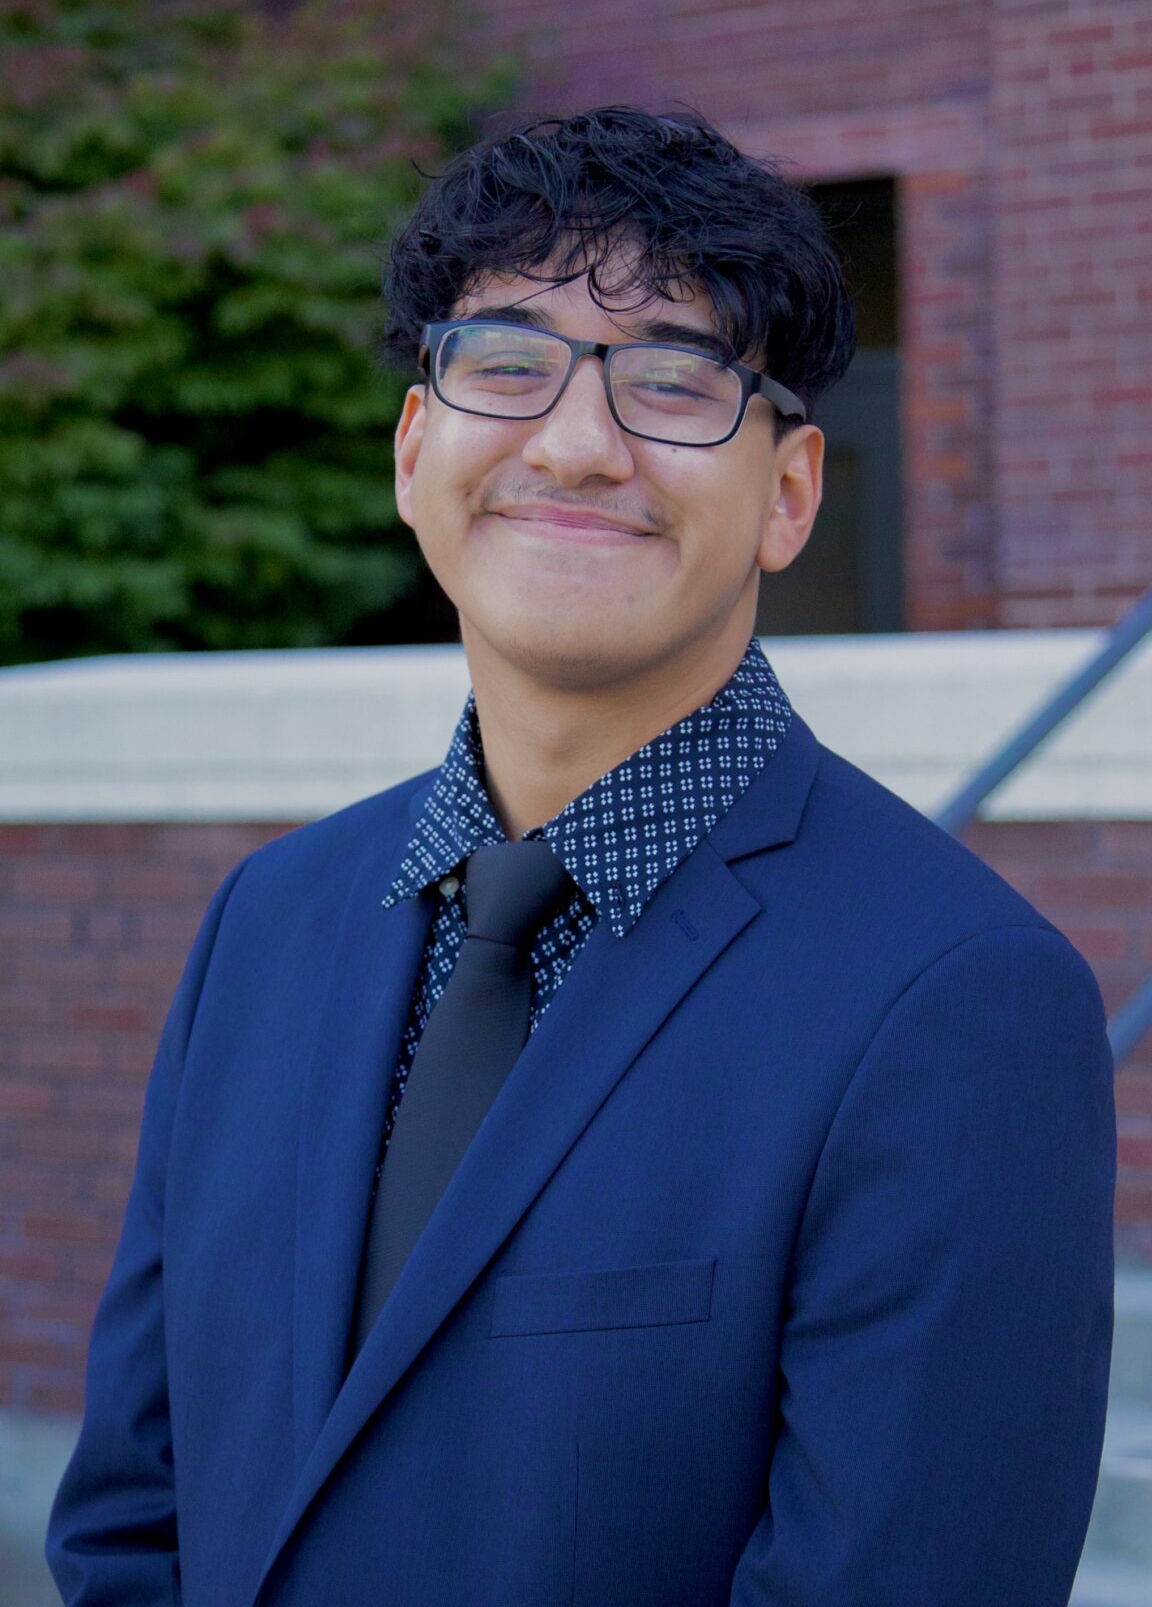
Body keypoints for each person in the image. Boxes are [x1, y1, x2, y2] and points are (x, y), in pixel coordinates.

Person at [46, 105, 1115, 1607]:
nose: (573, 444)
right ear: (418, 450)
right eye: (505, 365)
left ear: (789, 493)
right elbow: (128, 1527)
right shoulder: (269, 922)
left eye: (674, 382)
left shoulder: (955, 1002)